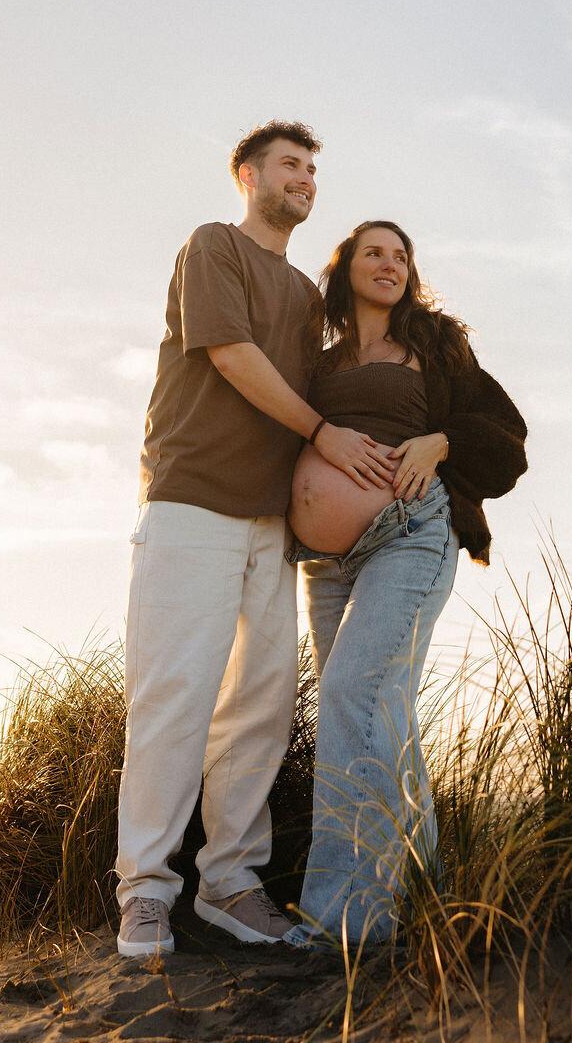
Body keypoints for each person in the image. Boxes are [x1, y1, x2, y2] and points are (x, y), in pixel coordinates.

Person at [116, 125, 396, 958]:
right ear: (247, 175)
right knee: (175, 698)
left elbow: (330, 380)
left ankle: (232, 885)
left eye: (312, 170)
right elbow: (234, 357)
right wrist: (324, 431)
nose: (304, 179)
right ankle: (146, 892)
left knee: (260, 711)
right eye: (289, 166)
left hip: (271, 526)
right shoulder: (214, 248)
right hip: (191, 505)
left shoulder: (309, 298)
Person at [282, 220, 528, 949]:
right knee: (376, 713)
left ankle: (344, 922)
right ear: (346, 269)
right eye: (373, 252)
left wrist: (441, 440)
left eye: (400, 255)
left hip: (410, 534)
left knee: (353, 693)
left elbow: (507, 435)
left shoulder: (437, 348)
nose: (388, 263)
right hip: (326, 563)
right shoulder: (317, 362)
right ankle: (425, 894)